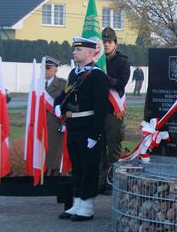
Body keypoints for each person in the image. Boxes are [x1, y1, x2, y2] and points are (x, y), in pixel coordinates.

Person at [54, 38, 109, 221]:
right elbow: (66, 94)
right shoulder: (74, 74)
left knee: (89, 166)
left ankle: (87, 205)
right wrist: (58, 104)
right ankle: (77, 202)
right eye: (74, 49)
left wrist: (95, 134)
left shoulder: (98, 76)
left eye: (79, 50)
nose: (74, 52)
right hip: (73, 125)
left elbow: (101, 108)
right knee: (76, 165)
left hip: (87, 126)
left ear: (90, 52)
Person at [100, 27, 130, 194]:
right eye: (104, 42)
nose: (106, 45)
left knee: (113, 150)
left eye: (109, 42)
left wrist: (104, 78)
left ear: (115, 44)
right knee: (99, 150)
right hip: (99, 110)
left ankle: (112, 183)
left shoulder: (122, 61)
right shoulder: (97, 60)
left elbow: (121, 83)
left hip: (113, 112)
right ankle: (100, 182)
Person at [43, 56, 67, 175]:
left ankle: (54, 175)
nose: (45, 71)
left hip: (54, 123)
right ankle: (41, 175)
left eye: (48, 68)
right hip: (40, 123)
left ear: (55, 70)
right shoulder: (38, 83)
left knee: (54, 152)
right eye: (43, 68)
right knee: (40, 152)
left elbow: (67, 104)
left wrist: (64, 123)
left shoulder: (62, 84)